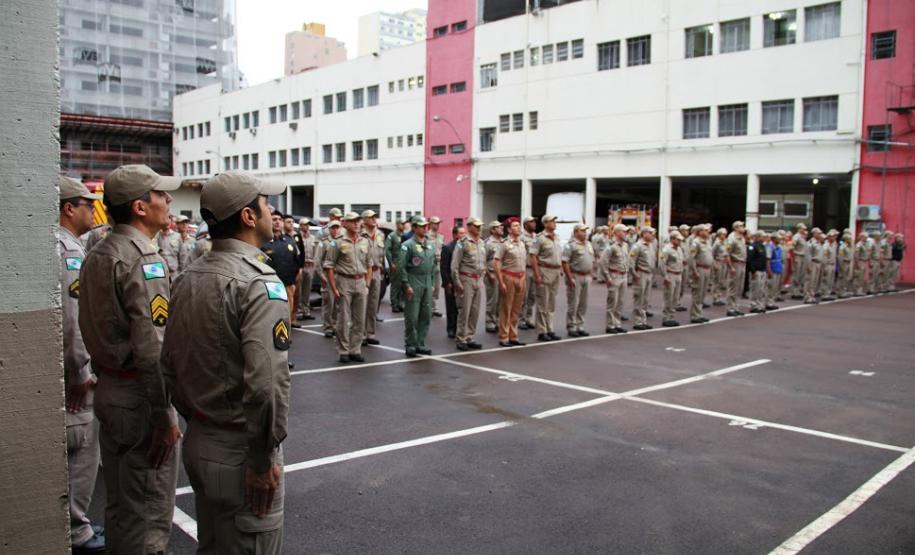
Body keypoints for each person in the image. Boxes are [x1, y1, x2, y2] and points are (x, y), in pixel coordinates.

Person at [161, 171, 290, 555]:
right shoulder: (258, 283)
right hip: (240, 450)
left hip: (202, 437)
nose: (272, 211)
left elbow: (169, 361)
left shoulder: (188, 276)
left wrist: (196, 415)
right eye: (266, 204)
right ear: (249, 217)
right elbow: (266, 384)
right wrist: (262, 456)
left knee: (214, 545)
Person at [78, 164, 182, 554]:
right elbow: (152, 347)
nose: (168, 201)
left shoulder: (98, 252)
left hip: (110, 388)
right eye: (161, 195)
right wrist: (164, 414)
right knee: (149, 516)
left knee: (122, 506)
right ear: (140, 207)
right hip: (139, 398)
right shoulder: (142, 259)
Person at [58, 176, 106, 555]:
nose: (93, 210)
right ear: (68, 208)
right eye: (87, 204)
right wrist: (81, 371)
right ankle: (76, 530)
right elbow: (72, 319)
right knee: (81, 447)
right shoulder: (69, 251)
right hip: (73, 376)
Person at [324, 212, 371, 363]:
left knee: (359, 319)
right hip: (344, 281)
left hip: (361, 282)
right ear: (345, 223)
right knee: (344, 318)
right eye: (352, 221)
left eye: (358, 221)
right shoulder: (337, 242)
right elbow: (329, 266)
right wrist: (334, 288)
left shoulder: (365, 241)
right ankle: (343, 350)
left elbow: (369, 264)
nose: (356, 224)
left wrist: (368, 284)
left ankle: (355, 349)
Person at [398, 216, 436, 357]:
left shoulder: (430, 244)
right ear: (414, 228)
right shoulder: (407, 245)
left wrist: (432, 283)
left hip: (426, 281)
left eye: (426, 225)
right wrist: (406, 285)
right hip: (413, 280)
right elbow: (401, 267)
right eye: (421, 226)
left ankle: (420, 342)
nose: (425, 228)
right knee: (412, 315)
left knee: (426, 315)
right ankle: (411, 343)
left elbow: (433, 266)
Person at [452, 218, 486, 351]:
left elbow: (483, 262)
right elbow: (455, 265)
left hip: (478, 279)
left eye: (480, 226)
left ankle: (470, 337)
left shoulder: (482, 242)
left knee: (475, 311)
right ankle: (461, 338)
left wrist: (482, 277)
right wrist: (457, 282)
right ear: (469, 227)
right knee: (464, 310)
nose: (479, 228)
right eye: (476, 226)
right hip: (466, 279)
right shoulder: (462, 243)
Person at [262, 212, 300, 331]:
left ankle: (286, 336)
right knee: (274, 314)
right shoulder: (264, 242)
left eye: (279, 219)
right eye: (274, 219)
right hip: (272, 285)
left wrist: (294, 281)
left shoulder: (290, 241)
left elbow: (296, 261)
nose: (277, 222)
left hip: (288, 283)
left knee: (287, 312)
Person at [493, 217, 528, 347]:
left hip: (521, 277)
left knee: (516, 309)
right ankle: (504, 337)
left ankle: (513, 335)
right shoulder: (504, 243)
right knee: (506, 308)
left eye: (519, 225)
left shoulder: (522, 243)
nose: (518, 227)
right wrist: (501, 281)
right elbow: (496, 262)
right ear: (508, 229)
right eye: (515, 226)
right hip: (509, 276)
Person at [530, 214, 563, 341]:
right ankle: (541, 331)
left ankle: (550, 329)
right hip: (544, 270)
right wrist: (537, 274)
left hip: (555, 272)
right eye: (552, 221)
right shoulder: (540, 238)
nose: (555, 223)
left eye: (555, 221)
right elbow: (533, 257)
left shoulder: (557, 238)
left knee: (551, 303)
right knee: (542, 302)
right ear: (545, 224)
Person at [562, 223, 594, 337]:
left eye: (586, 231)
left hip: (586, 276)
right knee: (573, 303)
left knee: (583, 303)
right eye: (582, 231)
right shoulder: (570, 245)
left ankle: (580, 325)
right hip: (575, 275)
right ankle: (572, 326)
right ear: (576, 232)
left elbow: (592, 259)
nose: (585, 233)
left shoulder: (589, 244)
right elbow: (565, 262)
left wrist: (591, 273)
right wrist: (569, 277)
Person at [361, 210, 385, 346]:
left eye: (374, 217)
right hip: (364, 272)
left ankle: (370, 333)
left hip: (376, 271)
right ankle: (361, 334)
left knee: (373, 304)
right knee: (362, 304)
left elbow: (383, 253)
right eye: (371, 217)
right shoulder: (360, 235)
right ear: (364, 220)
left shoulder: (380, 235)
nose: (374, 219)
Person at [601, 223, 630, 334]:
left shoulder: (625, 245)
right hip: (614, 275)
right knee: (612, 301)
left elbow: (627, 260)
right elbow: (603, 262)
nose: (626, 233)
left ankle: (617, 323)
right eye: (624, 231)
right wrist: (607, 277)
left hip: (623, 275)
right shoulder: (611, 246)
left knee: (620, 301)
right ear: (617, 232)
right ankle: (610, 325)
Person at [317, 221, 342, 338]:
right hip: (328, 276)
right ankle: (328, 327)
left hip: (340, 276)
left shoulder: (342, 242)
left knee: (338, 303)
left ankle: (336, 326)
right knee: (329, 303)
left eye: (337, 228)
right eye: (333, 228)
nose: (335, 230)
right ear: (329, 229)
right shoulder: (324, 243)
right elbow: (317, 262)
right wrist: (322, 277)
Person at [441, 226, 466, 338]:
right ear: (455, 235)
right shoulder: (448, 248)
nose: (463, 236)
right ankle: (451, 328)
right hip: (451, 282)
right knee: (451, 307)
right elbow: (444, 267)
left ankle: (460, 329)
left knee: (462, 307)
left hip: (463, 280)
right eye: (461, 233)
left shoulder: (465, 247)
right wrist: (447, 283)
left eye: (464, 233)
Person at [629, 226, 656, 330]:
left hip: (649, 274)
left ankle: (643, 320)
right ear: (644, 234)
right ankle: (638, 321)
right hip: (641, 274)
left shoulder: (650, 245)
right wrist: (635, 275)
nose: (652, 235)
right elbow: (631, 262)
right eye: (650, 233)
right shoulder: (637, 246)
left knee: (645, 299)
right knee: (639, 298)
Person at [688, 224, 713, 324]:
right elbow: (691, 258)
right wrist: (694, 271)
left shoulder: (707, 242)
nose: (708, 232)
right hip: (700, 269)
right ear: (700, 232)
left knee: (703, 293)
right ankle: (695, 315)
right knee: (697, 293)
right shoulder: (696, 242)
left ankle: (699, 313)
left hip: (707, 269)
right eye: (705, 230)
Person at [660, 231, 684, 327]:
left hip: (678, 274)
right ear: (673, 239)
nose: (680, 241)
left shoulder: (679, 249)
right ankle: (666, 317)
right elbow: (662, 264)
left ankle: (672, 317)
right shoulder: (667, 249)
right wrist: (665, 276)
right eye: (678, 240)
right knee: (668, 297)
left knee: (675, 297)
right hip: (671, 274)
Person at [484, 221, 504, 333]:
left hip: (502, 274)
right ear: (492, 230)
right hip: (492, 274)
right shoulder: (488, 243)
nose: (501, 228)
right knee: (492, 299)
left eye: (501, 226)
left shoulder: (504, 241)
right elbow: (483, 260)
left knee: (501, 299)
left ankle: (497, 320)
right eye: (498, 227)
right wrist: (488, 274)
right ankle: (489, 322)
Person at [297, 218, 318, 321]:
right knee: (299, 290)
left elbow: (316, 252)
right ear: (300, 226)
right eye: (304, 225)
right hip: (301, 266)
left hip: (310, 266)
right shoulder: (297, 237)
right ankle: (299, 311)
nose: (307, 226)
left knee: (307, 289)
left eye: (308, 225)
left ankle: (306, 311)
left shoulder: (313, 238)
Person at [725, 221, 748, 316]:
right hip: (735, 264)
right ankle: (730, 308)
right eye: (741, 226)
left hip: (742, 264)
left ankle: (736, 306)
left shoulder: (742, 238)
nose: (743, 227)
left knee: (739, 287)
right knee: (733, 287)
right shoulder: (732, 238)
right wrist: (731, 267)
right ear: (736, 228)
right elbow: (727, 254)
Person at [519, 216, 538, 330]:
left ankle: (529, 318)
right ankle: (521, 319)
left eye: (534, 221)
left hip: (534, 268)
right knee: (523, 296)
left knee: (532, 295)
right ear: (525, 225)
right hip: (525, 268)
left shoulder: (537, 237)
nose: (534, 223)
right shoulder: (522, 237)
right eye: (531, 222)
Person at [385, 218, 406, 312]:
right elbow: (387, 250)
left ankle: (400, 303)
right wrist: (391, 263)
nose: (403, 225)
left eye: (404, 224)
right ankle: (394, 304)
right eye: (401, 224)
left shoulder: (405, 235)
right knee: (395, 284)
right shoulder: (392, 236)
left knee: (403, 283)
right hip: (395, 262)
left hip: (404, 263)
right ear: (397, 225)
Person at [747, 230, 768, 313]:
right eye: (763, 236)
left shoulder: (762, 246)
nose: (764, 238)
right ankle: (753, 305)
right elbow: (749, 260)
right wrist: (753, 270)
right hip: (756, 271)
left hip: (762, 270)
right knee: (755, 289)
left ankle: (759, 304)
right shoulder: (752, 246)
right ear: (758, 237)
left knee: (761, 289)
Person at [428, 216, 445, 317]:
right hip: (429, 264)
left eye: (439, 223)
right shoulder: (426, 236)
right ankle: (428, 308)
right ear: (431, 224)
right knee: (429, 287)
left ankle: (434, 308)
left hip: (438, 265)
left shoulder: (441, 236)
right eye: (436, 223)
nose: (437, 225)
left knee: (437, 287)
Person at [805, 228, 826, 304]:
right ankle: (808, 297)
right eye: (818, 233)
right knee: (810, 280)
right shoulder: (811, 243)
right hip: (813, 263)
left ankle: (812, 296)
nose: (820, 234)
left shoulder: (819, 242)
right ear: (814, 234)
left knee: (815, 281)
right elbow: (808, 255)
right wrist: (809, 266)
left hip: (818, 263)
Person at [766, 231, 785, 309]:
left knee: (775, 287)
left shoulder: (779, 247)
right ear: (774, 239)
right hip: (773, 269)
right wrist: (769, 270)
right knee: (770, 286)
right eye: (778, 238)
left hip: (778, 269)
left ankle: (771, 301)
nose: (780, 240)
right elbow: (768, 260)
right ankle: (768, 302)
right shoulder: (770, 247)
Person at [790, 223, 809, 299]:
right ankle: (794, 292)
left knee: (801, 274)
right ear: (799, 229)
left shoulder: (803, 237)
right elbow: (792, 247)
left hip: (803, 257)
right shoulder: (796, 237)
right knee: (796, 274)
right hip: (798, 256)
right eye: (803, 229)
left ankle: (798, 290)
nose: (804, 230)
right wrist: (794, 257)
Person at [711, 227, 729, 306]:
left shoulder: (725, 242)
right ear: (719, 235)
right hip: (718, 261)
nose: (724, 236)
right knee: (717, 281)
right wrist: (714, 264)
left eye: (725, 234)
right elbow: (712, 254)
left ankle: (719, 296)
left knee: (721, 281)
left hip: (724, 262)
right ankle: (715, 297)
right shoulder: (716, 243)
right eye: (723, 234)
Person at [820, 230, 839, 301]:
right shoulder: (826, 245)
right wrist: (824, 266)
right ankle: (824, 294)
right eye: (833, 236)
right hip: (827, 264)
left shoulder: (834, 243)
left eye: (835, 236)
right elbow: (824, 257)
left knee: (831, 280)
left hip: (833, 263)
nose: (835, 237)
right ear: (829, 237)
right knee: (826, 279)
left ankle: (828, 293)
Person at [836, 231, 855, 299]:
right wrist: (841, 266)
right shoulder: (842, 246)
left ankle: (843, 291)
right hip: (843, 263)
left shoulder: (848, 246)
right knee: (842, 278)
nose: (851, 240)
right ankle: (840, 292)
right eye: (849, 239)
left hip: (847, 263)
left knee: (845, 278)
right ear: (846, 239)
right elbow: (840, 257)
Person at [853, 232, 870, 296]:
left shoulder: (865, 244)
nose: (866, 238)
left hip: (865, 261)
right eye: (865, 237)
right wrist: (857, 263)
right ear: (862, 237)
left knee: (862, 277)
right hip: (860, 261)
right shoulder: (859, 244)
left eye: (866, 237)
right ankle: (857, 290)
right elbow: (856, 255)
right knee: (859, 276)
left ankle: (860, 290)